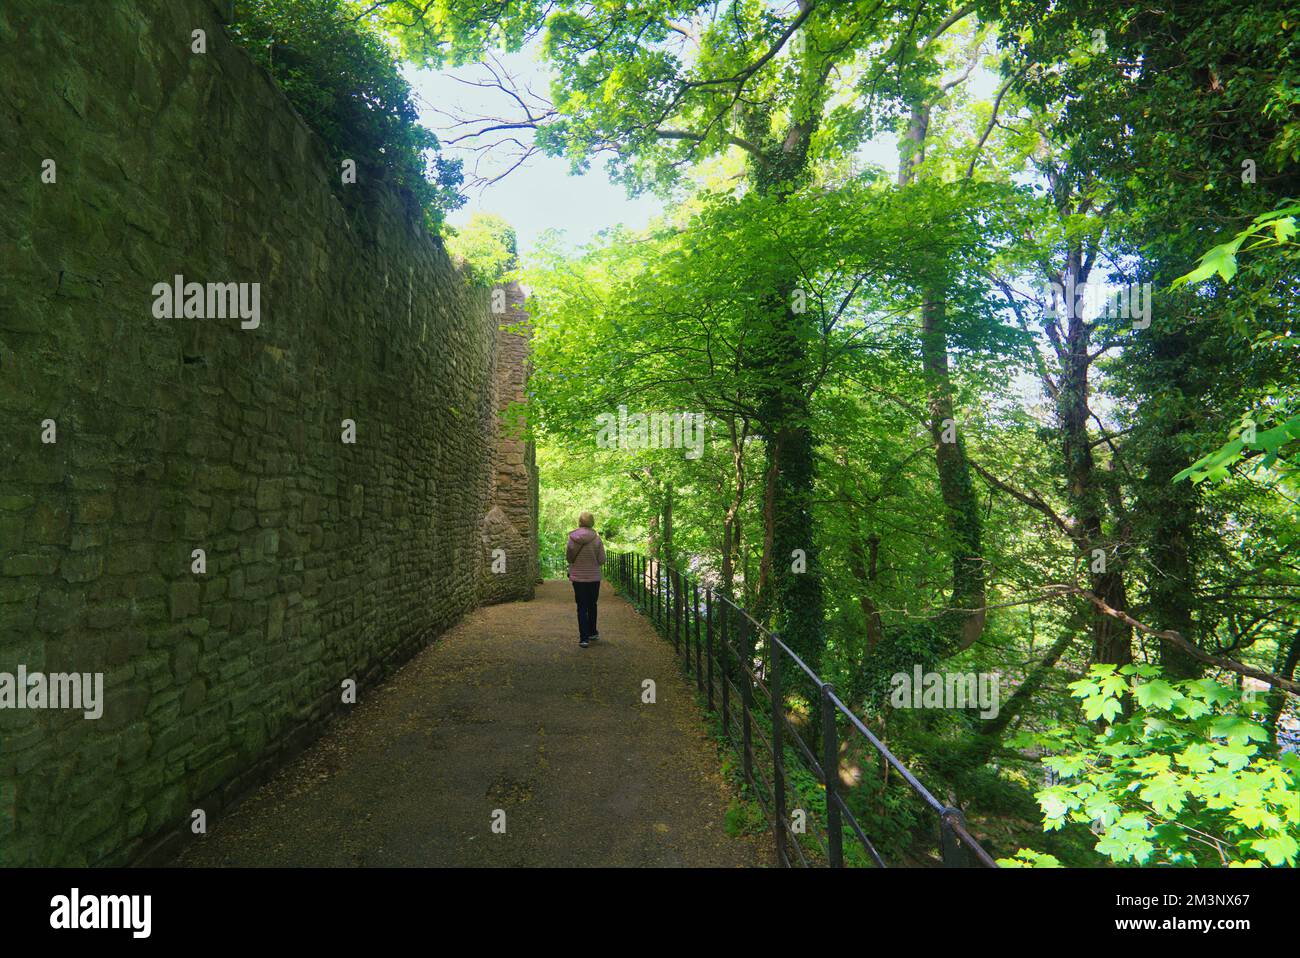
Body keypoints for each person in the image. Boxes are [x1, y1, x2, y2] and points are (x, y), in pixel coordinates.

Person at [566, 511, 606, 648]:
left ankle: (583, 638)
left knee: (581, 607)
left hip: (578, 577)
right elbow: (602, 560)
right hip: (594, 577)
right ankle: (592, 632)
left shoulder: (573, 538)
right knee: (592, 604)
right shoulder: (597, 539)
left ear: (580, 521)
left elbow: (569, 558)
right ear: (592, 522)